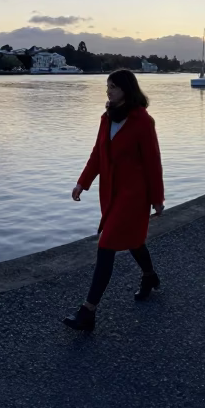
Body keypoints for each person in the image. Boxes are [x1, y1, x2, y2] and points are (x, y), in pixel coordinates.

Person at [63, 69, 165, 332]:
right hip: (110, 193)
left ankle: (88, 311)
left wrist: (157, 198)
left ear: (127, 90)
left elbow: (153, 162)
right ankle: (150, 276)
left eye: (114, 87)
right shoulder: (106, 118)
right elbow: (98, 154)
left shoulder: (142, 121)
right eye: (107, 86)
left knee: (106, 245)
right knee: (134, 241)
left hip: (134, 194)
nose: (108, 91)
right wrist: (82, 183)